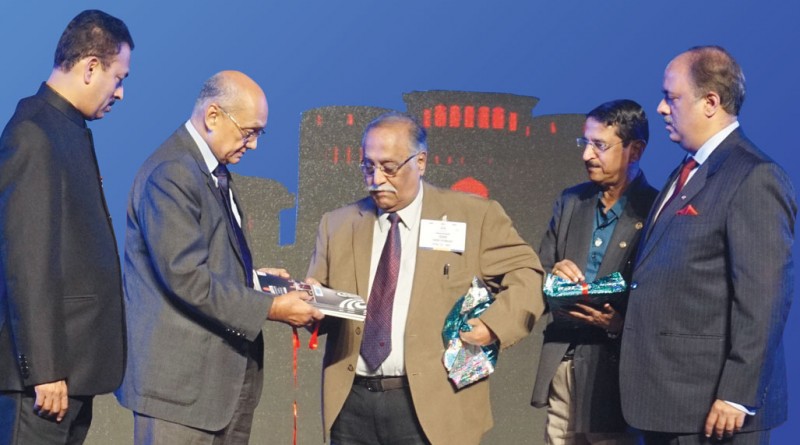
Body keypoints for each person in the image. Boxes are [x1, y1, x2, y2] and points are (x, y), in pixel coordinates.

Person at [306, 112, 544, 445]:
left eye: (389, 168)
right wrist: (309, 302)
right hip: (352, 402)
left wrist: (493, 326)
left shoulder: (474, 216)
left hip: (435, 402)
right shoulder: (338, 224)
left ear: (420, 162)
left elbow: (527, 275)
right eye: (367, 167)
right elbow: (322, 306)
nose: (376, 179)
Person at [116, 70, 324, 444]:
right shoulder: (172, 173)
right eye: (249, 132)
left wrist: (256, 281)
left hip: (217, 392)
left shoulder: (212, 171)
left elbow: (206, 262)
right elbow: (186, 279)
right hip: (179, 397)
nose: (255, 144)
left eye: (259, 133)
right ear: (213, 116)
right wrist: (271, 307)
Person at [619, 46, 796, 445]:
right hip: (668, 404)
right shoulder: (686, 170)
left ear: (711, 102)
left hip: (714, 412)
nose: (661, 109)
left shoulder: (754, 176)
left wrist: (737, 394)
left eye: (671, 97)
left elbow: (765, 298)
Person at [0, 10, 133, 444]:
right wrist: (45, 368)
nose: (121, 92)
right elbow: (27, 260)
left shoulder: (65, 127)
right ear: (91, 66)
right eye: (118, 77)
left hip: (70, 372)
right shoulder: (34, 133)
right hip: (45, 381)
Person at [531, 99, 657, 445]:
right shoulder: (572, 202)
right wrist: (553, 275)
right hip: (564, 360)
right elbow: (539, 272)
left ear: (635, 150)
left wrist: (621, 325)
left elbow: (662, 297)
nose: (587, 155)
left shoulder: (656, 209)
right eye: (584, 143)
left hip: (616, 374)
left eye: (599, 145)